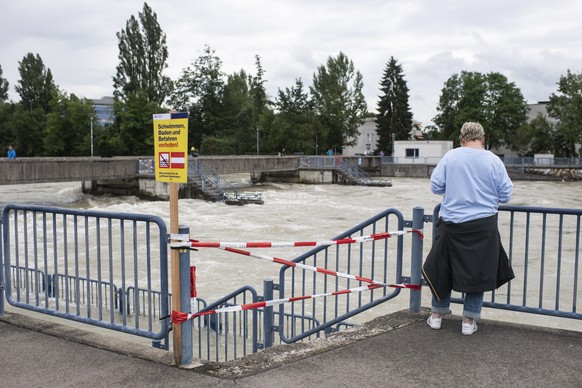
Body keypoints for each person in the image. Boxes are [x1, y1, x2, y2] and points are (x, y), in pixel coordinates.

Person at [422, 122, 514, 336]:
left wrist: (453, 188)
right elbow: (506, 195)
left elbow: (435, 186)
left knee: (443, 267)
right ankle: (468, 320)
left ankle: (436, 315)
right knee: (478, 271)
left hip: (452, 223)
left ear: (462, 138)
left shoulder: (451, 157)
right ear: (483, 138)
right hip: (483, 224)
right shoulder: (494, 160)